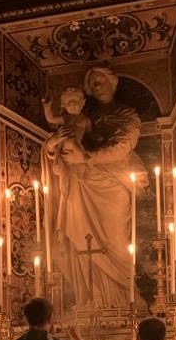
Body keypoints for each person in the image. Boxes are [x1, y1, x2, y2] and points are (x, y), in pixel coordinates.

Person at [42, 65, 148, 308]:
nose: (97, 87)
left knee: (116, 239)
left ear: (113, 83)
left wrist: (87, 157)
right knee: (80, 235)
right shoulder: (81, 114)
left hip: (115, 181)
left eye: (101, 81)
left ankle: (125, 296)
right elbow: (60, 139)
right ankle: (92, 296)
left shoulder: (127, 114)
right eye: (92, 83)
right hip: (82, 180)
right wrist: (53, 147)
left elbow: (122, 146)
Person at [42, 85, 91, 161]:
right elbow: (51, 119)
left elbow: (90, 133)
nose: (72, 105)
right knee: (71, 142)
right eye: (68, 103)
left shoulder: (85, 120)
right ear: (63, 105)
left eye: (75, 101)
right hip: (65, 142)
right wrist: (47, 106)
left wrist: (96, 136)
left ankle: (82, 156)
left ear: (83, 102)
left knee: (73, 143)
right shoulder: (65, 118)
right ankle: (83, 156)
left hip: (76, 144)